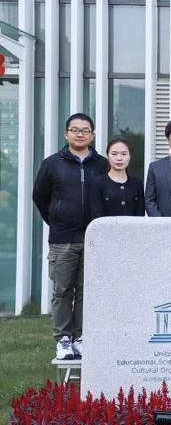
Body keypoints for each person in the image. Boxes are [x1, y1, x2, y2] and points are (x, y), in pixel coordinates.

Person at [32, 113, 108, 360]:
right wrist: (56, 219)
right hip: (62, 239)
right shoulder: (52, 164)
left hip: (93, 239)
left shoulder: (102, 164)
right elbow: (40, 196)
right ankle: (64, 339)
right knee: (63, 291)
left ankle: (81, 337)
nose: (80, 134)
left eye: (85, 130)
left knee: (87, 291)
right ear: (66, 134)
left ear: (92, 135)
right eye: (75, 130)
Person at [89, 139, 145, 219]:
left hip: (132, 227)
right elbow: (96, 214)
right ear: (108, 156)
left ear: (130, 156)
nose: (119, 158)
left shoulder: (137, 183)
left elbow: (140, 214)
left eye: (124, 154)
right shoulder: (98, 183)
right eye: (114, 154)